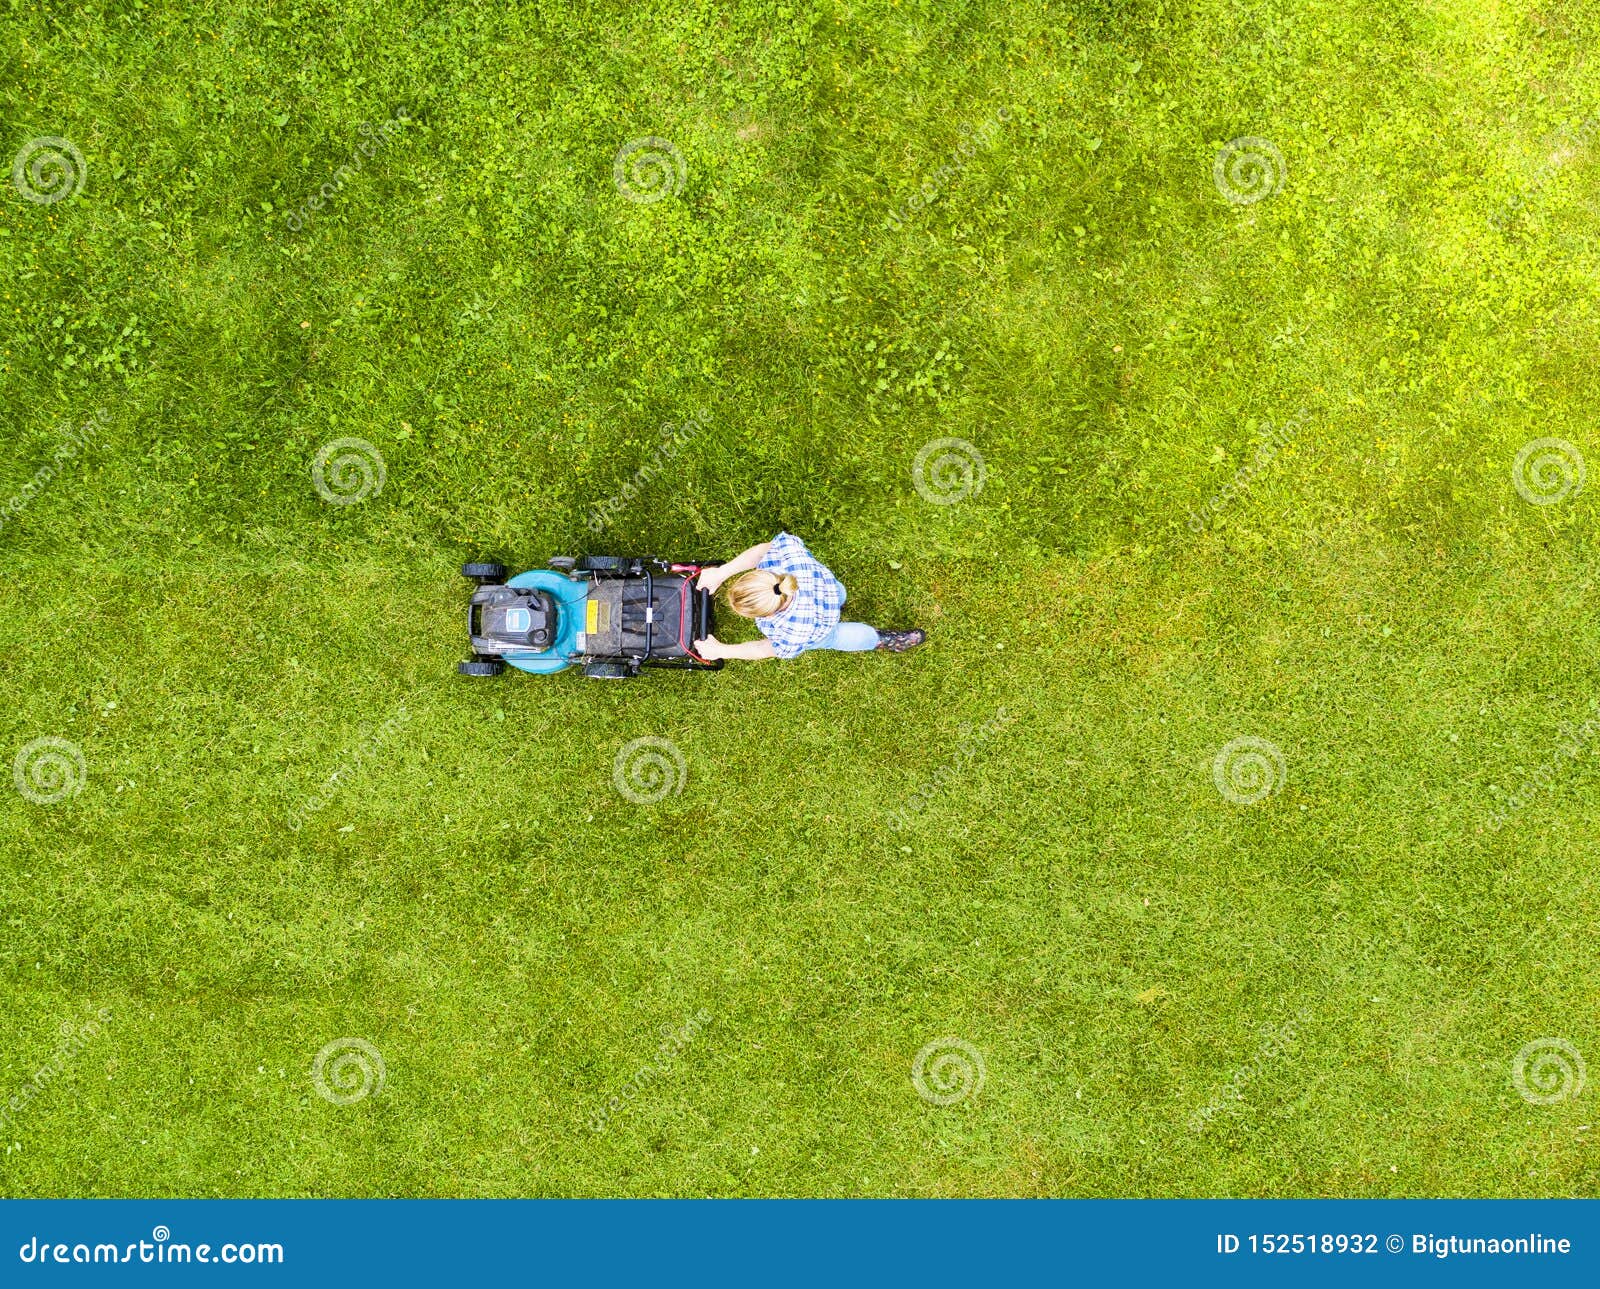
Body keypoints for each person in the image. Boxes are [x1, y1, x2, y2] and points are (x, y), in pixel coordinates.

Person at [692, 533, 926, 662]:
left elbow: (764, 649)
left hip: (821, 626)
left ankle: (886, 640)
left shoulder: (794, 631)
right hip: (829, 589)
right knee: (840, 593)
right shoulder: (788, 558)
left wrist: (722, 650)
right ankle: (842, 601)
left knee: (837, 637)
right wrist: (721, 573)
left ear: (769, 614)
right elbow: (764, 550)